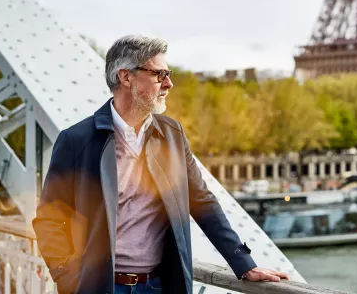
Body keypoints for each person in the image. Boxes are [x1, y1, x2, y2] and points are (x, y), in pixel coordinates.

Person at [32, 35, 288, 294]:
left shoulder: (172, 134)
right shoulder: (76, 140)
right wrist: (67, 278)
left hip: (159, 286)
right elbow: (49, 220)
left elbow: (202, 201)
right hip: (101, 288)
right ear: (126, 77)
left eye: (169, 74)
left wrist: (244, 263)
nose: (169, 83)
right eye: (159, 75)